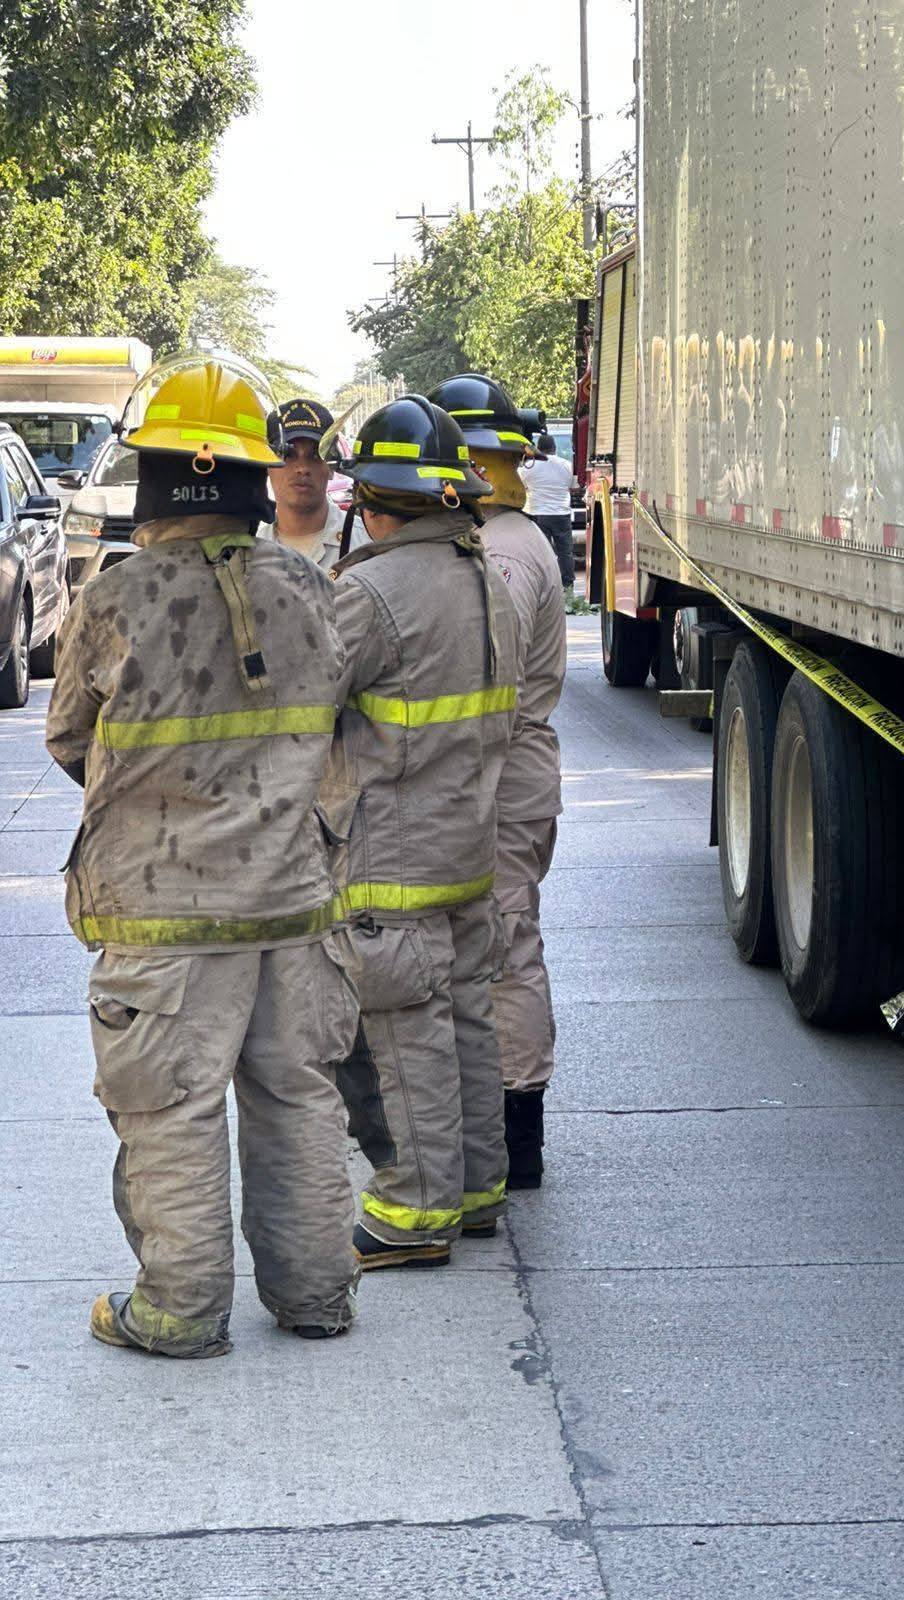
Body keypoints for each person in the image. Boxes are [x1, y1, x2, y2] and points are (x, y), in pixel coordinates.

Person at [45, 354, 360, 1359]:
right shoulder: (312, 590)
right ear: (250, 477)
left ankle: (179, 1311)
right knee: (298, 1094)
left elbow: (67, 738)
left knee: (170, 1105)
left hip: (160, 911)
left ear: (154, 478)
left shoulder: (114, 599)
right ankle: (316, 1297)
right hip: (294, 906)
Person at [328, 396, 520, 1268]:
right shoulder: (492, 580)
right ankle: (478, 1191)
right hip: (466, 848)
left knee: (408, 1037)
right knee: (469, 1021)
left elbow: (303, 707)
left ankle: (414, 1212)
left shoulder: (368, 592)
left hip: (390, 860)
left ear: (370, 498)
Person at [430, 373, 566, 1188]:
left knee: (507, 942)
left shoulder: (502, 553)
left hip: (500, 767)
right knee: (492, 940)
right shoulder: (497, 539)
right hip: (498, 766)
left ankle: (519, 1132)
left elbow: (486, 680)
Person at [262, 398, 363, 572]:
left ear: (331, 466)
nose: (302, 468)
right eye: (288, 454)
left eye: (315, 455)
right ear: (267, 465)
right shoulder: (249, 552)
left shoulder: (364, 544)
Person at [518, 431, 576, 597]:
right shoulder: (566, 465)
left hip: (538, 513)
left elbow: (523, 485)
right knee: (565, 552)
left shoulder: (529, 466)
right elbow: (572, 485)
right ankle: (567, 585)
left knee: (542, 551)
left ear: (538, 448)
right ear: (555, 448)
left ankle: (544, 584)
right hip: (561, 514)